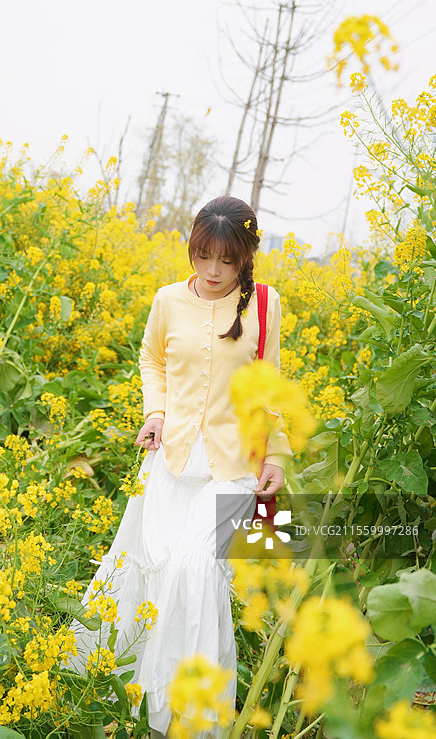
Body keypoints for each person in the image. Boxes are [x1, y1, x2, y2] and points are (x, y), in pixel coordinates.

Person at [64, 196, 292, 739]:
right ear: (191, 248)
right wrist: (156, 413)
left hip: (233, 467)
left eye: (227, 261)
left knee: (195, 570)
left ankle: (188, 718)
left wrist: (277, 455)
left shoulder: (264, 303)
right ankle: (127, 695)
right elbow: (152, 359)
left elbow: (271, 383)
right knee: (148, 567)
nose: (213, 272)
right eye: (203, 255)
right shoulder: (167, 299)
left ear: (245, 258)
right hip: (168, 463)